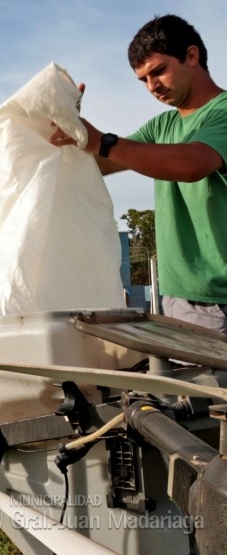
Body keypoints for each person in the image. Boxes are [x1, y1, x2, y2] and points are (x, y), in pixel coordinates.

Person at [52, 14, 227, 332]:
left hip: (219, 301)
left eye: (158, 71)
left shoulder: (223, 112)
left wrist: (102, 141)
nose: (152, 87)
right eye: (143, 80)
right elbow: (104, 163)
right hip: (179, 298)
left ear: (191, 56)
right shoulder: (163, 126)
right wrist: (73, 133)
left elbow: (193, 163)